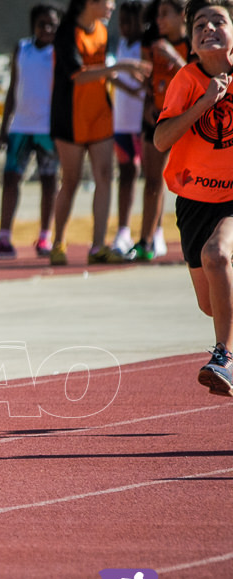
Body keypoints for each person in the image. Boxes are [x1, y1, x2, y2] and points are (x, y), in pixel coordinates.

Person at [153, 0, 233, 395]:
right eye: (200, 23)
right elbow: (161, 139)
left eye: (219, 20)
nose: (209, 28)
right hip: (193, 201)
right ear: (191, 41)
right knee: (210, 304)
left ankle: (225, 357)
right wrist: (204, 104)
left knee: (217, 255)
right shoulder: (186, 81)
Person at [48, 0, 149, 266]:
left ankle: (97, 246)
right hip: (70, 116)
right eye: (108, 1)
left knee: (105, 175)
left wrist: (129, 86)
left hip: (100, 114)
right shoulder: (67, 31)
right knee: (69, 181)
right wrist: (122, 66)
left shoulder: (102, 31)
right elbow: (79, 75)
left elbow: (101, 72)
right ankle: (58, 242)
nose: (112, 6)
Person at [0, 4, 60, 260]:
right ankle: (4, 237)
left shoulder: (59, 53)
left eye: (52, 25)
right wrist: (4, 127)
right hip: (21, 126)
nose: (46, 29)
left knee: (49, 181)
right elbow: (13, 88)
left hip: (48, 128)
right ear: (32, 25)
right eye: (41, 24)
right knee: (11, 178)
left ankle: (45, 236)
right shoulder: (22, 49)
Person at [133, 0, 191, 260]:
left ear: (182, 16)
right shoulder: (152, 43)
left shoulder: (193, 44)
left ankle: (194, 240)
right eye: (158, 14)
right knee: (152, 180)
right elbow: (149, 81)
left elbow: (196, 78)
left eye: (165, 14)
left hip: (187, 124)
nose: (159, 19)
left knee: (189, 184)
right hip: (157, 120)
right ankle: (146, 240)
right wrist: (147, 102)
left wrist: (174, 57)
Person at [110, 1, 149, 258]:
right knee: (126, 173)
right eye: (122, 21)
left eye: (130, 21)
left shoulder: (145, 46)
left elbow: (148, 79)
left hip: (142, 124)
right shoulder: (119, 44)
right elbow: (112, 75)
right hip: (121, 123)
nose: (125, 26)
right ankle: (123, 229)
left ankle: (152, 230)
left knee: (150, 176)